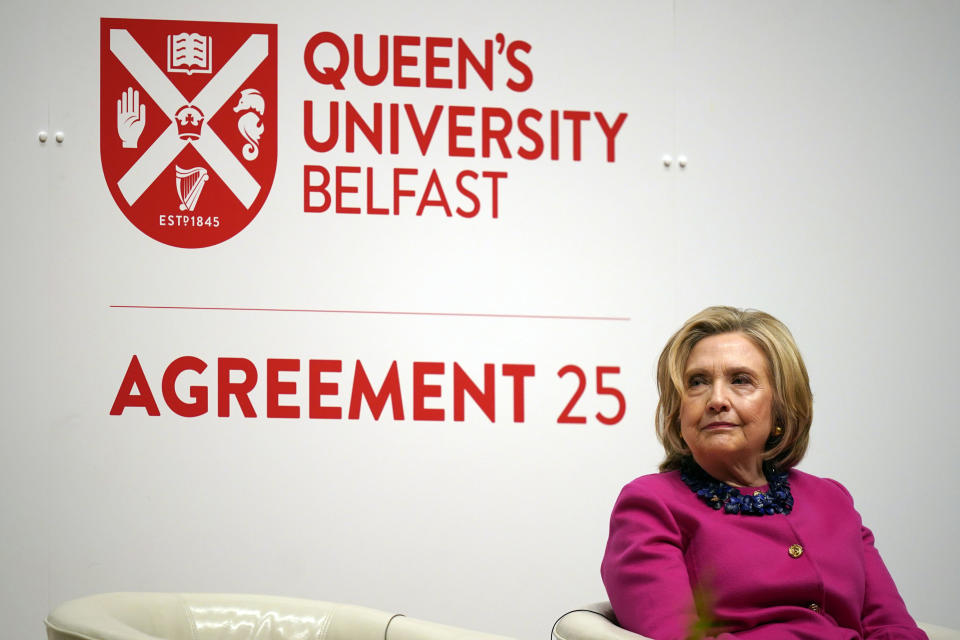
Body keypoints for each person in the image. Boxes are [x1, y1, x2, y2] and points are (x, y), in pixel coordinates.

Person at [601, 306, 926, 639]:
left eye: (740, 380)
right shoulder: (650, 504)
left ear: (781, 404)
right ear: (677, 410)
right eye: (697, 383)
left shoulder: (833, 499)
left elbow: (892, 626)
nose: (716, 399)